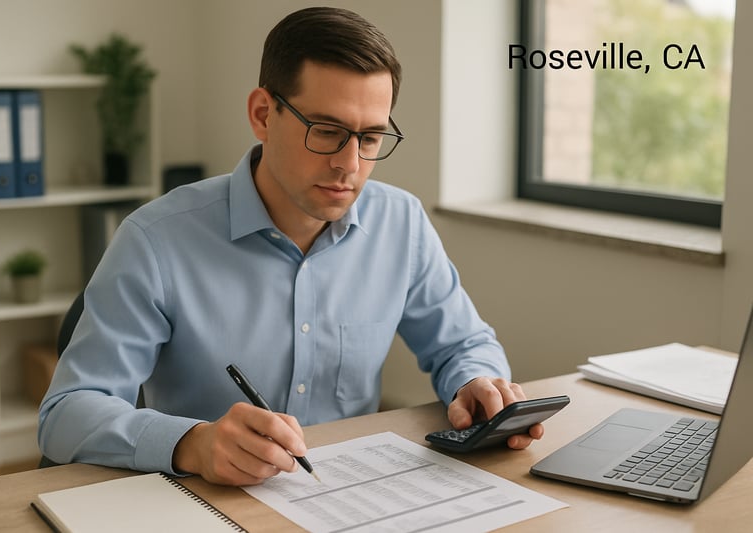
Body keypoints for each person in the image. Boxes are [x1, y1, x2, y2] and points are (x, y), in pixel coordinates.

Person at [38, 6, 543, 487]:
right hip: (207, 503)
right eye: (326, 131)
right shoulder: (155, 240)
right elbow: (67, 412)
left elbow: (462, 344)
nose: (350, 164)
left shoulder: (401, 222)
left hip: (352, 495)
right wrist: (193, 443)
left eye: (370, 138)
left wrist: (476, 382)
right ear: (263, 114)